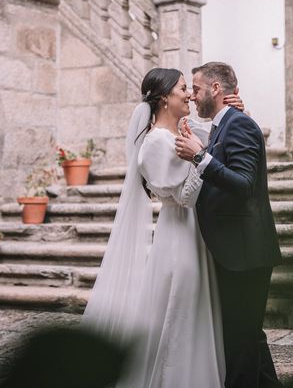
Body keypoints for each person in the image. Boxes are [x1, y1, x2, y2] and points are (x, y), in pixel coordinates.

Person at [82, 67, 244, 388]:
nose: (189, 95)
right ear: (164, 98)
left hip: (197, 232)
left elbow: (217, 133)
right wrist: (201, 158)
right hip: (179, 236)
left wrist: (235, 111)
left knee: (198, 311)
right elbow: (183, 197)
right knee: (181, 310)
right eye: (183, 89)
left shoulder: (180, 131)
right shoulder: (155, 143)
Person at [175, 61, 283, 388]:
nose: (192, 97)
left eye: (195, 89)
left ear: (216, 89)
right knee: (246, 333)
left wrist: (199, 157)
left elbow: (244, 184)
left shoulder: (239, 125)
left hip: (244, 252)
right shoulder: (223, 125)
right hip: (234, 251)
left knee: (240, 337)